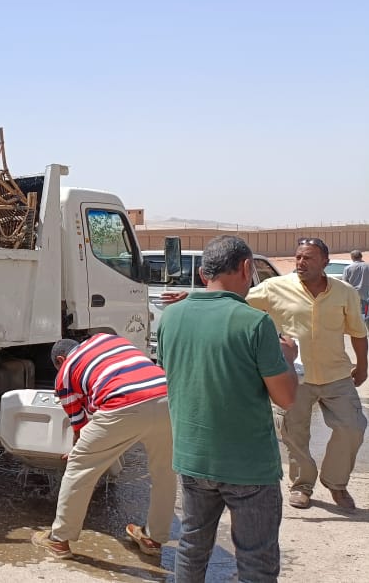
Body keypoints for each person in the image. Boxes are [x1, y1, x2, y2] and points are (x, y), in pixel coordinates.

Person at [157, 235, 299, 583]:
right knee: (256, 561)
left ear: (205, 273)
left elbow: (176, 374)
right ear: (247, 268)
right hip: (248, 466)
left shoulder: (170, 318)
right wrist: (289, 358)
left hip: (193, 459)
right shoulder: (255, 323)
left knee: (191, 546)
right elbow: (286, 398)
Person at [31, 333, 176, 560]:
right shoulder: (107, 339)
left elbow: (80, 425)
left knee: (79, 468)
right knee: (164, 472)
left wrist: (79, 451)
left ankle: (59, 540)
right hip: (168, 398)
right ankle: (153, 538)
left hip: (123, 402)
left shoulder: (65, 373)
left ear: (60, 360)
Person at [248, 238, 368, 510]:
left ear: (325, 261)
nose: (301, 263)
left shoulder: (344, 291)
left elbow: (359, 333)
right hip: (293, 377)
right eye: (298, 257)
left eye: (309, 258)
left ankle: (336, 482)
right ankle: (301, 485)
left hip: (336, 374)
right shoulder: (275, 288)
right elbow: (236, 303)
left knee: (353, 427)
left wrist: (363, 366)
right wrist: (198, 297)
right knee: (294, 435)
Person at [344, 249, 369, 323]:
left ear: (352, 257)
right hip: (366, 293)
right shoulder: (367, 266)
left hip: (353, 293)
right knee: (365, 312)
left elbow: (345, 282)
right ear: (361, 256)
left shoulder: (348, 268)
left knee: (355, 311)